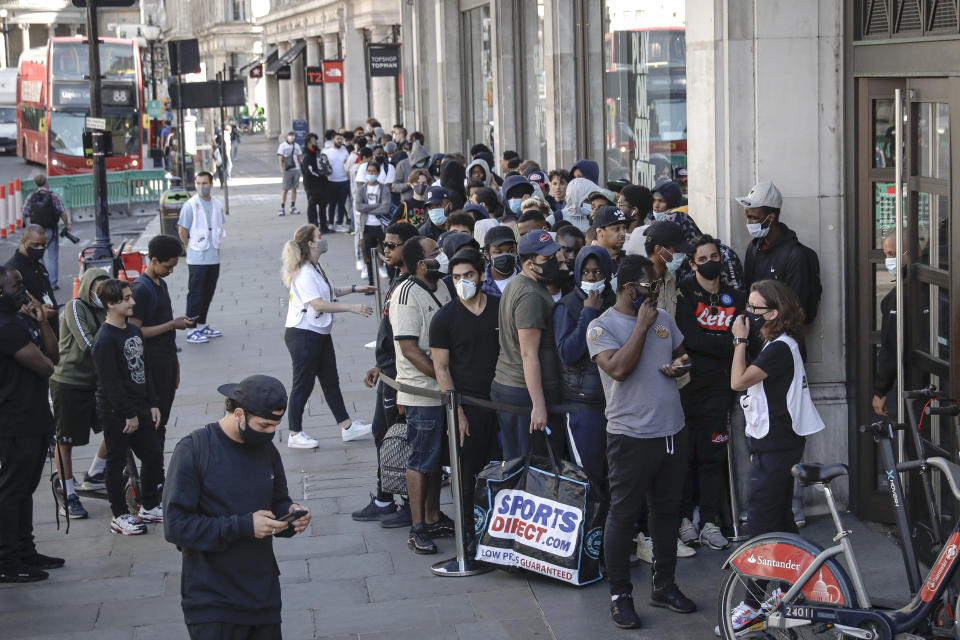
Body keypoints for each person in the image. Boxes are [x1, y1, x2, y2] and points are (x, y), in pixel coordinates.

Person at [587, 255, 696, 628]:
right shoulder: (601, 327)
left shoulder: (663, 319)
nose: (656, 293)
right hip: (630, 437)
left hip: (672, 431)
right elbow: (617, 368)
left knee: (667, 513)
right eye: (650, 286)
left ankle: (664, 585)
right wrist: (642, 327)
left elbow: (684, 357)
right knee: (623, 515)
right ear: (629, 288)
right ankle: (620, 596)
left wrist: (679, 366)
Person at [163, 375, 312, 640]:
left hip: (262, 595)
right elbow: (175, 527)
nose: (270, 434)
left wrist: (290, 516)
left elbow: (278, 500)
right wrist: (244, 525)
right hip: (212, 601)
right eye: (264, 425)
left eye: (275, 426)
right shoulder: (194, 449)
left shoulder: (267, 451)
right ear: (239, 414)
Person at [726, 279, 824, 630]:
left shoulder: (780, 348)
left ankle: (752, 603)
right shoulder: (779, 343)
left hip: (778, 446)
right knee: (780, 520)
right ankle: (790, 590)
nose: (748, 314)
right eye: (748, 307)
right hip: (775, 443)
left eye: (754, 308)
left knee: (761, 526)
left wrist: (739, 341)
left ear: (774, 312)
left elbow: (739, 382)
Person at [675, 235, 747, 550]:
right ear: (692, 264)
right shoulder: (684, 295)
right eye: (702, 259)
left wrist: (718, 345)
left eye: (713, 256)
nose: (709, 263)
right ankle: (683, 519)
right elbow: (689, 338)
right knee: (684, 457)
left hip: (720, 393)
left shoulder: (736, 297)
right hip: (687, 390)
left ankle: (709, 521)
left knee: (712, 458)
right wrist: (727, 343)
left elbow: (746, 338)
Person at [281, 224, 375, 448]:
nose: (323, 239)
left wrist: (356, 288)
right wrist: (352, 308)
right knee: (302, 384)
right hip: (303, 335)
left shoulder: (315, 267)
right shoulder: (304, 273)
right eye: (319, 236)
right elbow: (318, 303)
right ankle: (294, 433)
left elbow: (329, 291)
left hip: (318, 333)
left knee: (331, 381)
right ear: (311, 243)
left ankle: (347, 427)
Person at [430, 248, 501, 545]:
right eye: (456, 277)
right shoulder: (444, 319)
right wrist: (455, 411)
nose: (463, 282)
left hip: (504, 401)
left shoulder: (500, 307)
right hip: (467, 406)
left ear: (481, 275)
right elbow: (442, 369)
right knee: (467, 472)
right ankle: (470, 535)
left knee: (504, 467)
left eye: (468, 275)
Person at [352, 222, 419, 526]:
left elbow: (410, 337)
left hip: (401, 377)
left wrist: (400, 381)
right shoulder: (397, 278)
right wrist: (380, 365)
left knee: (397, 436)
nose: (386, 250)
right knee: (383, 433)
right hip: (389, 372)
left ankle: (406, 501)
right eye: (385, 245)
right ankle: (384, 496)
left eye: (393, 245)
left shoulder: (411, 284)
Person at [0, 265, 64, 582]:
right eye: (16, 287)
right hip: (15, 423)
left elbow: (54, 354)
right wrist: (44, 349)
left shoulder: (22, 320)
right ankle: (7, 560)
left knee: (26, 489)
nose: (23, 292)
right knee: (12, 490)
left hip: (35, 417)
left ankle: (25, 550)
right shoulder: (5, 327)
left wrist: (43, 321)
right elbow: (46, 367)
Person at [391, 236, 454, 555]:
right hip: (422, 392)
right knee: (421, 458)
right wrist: (443, 378)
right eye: (436, 253)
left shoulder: (441, 285)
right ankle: (417, 527)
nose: (441, 256)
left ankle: (433, 515)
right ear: (420, 263)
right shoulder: (405, 294)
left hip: (443, 390)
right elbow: (409, 349)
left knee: (435, 461)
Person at [91, 279, 164, 535]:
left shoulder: (133, 331)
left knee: (154, 456)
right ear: (111, 304)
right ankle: (119, 515)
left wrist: (153, 403)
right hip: (116, 412)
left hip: (141, 406)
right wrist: (129, 414)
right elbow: (110, 384)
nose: (132, 302)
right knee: (115, 462)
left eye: (131, 296)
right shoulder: (104, 339)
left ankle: (149, 507)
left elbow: (146, 370)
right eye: (126, 298)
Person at [491, 231, 569, 460]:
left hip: (515, 388)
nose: (555, 262)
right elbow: (528, 354)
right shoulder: (530, 295)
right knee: (531, 466)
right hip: (523, 393)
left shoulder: (521, 283)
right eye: (547, 259)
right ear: (529, 264)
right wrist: (538, 405)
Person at [130, 235, 196, 468]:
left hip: (165, 361)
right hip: (151, 365)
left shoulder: (160, 284)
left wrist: (175, 364)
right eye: (168, 266)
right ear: (154, 260)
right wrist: (172, 325)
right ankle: (153, 472)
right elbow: (135, 332)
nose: (170, 271)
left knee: (162, 420)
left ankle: (155, 469)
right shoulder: (141, 289)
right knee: (154, 422)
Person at [50, 267, 111, 519]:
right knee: (66, 440)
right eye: (98, 291)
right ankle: (67, 491)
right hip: (69, 382)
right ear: (88, 288)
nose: (101, 296)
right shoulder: (77, 307)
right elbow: (88, 343)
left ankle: (96, 473)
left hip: (95, 383)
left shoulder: (105, 309)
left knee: (115, 427)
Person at [554, 246, 616, 488]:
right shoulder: (567, 307)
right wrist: (588, 313)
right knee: (588, 475)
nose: (591, 278)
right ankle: (591, 525)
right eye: (586, 273)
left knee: (614, 472)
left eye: (598, 272)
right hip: (582, 405)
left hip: (614, 403)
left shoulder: (616, 303)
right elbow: (567, 353)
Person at [739, 180, 821, 323]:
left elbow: (796, 308)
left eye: (753, 218)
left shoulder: (795, 256)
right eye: (747, 217)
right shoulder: (753, 247)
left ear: (771, 218)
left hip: (781, 335)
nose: (749, 223)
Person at [177, 171, 225, 345]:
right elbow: (182, 229)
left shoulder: (217, 204)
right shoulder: (191, 205)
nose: (201, 186)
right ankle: (191, 329)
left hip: (213, 256)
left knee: (208, 292)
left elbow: (219, 226)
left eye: (205, 183)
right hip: (197, 257)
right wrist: (186, 246)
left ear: (211, 184)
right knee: (196, 294)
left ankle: (202, 324)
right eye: (198, 183)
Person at [6, 224, 58, 335]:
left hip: (51, 327)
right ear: (23, 241)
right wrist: (39, 311)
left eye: (43, 245)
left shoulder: (39, 266)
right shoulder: (12, 271)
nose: (40, 249)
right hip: (32, 330)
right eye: (36, 245)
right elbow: (12, 306)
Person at [21, 174, 71, 290]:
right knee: (53, 257)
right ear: (46, 183)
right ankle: (53, 284)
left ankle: (43, 283)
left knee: (39, 257)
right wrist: (66, 224)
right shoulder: (54, 196)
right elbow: (62, 212)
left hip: (36, 232)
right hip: (51, 229)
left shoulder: (31, 196)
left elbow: (25, 212)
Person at [873, 233, 900, 417]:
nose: (889, 260)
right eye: (886, 255)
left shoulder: (896, 299)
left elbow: (890, 348)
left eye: (893, 254)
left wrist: (880, 391)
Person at [356, 161, 392, 287]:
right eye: (369, 171)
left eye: (373, 171)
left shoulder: (384, 189)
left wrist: (369, 208)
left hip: (381, 227)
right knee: (368, 256)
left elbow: (385, 208)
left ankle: (392, 280)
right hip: (367, 226)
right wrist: (377, 206)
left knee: (388, 254)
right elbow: (358, 206)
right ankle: (371, 283)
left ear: (378, 173)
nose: (371, 174)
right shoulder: (362, 190)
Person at [301, 132, 330, 232]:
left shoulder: (319, 152)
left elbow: (325, 164)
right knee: (312, 205)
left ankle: (324, 226)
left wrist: (327, 171)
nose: (316, 142)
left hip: (322, 184)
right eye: (314, 141)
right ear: (309, 143)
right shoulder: (306, 155)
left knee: (323, 205)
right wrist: (321, 174)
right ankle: (313, 227)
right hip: (311, 185)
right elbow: (309, 171)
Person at [323, 132, 352, 232]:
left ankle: (339, 223)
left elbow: (348, 166)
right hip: (332, 181)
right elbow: (324, 166)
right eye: (337, 139)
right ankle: (331, 223)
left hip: (344, 180)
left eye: (341, 139)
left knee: (342, 203)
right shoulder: (327, 152)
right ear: (333, 140)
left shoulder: (345, 151)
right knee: (332, 204)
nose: (339, 141)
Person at [276, 129, 302, 217]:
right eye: (290, 134)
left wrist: (300, 169)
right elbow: (280, 158)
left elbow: (299, 157)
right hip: (287, 170)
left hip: (296, 169)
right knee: (285, 189)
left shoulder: (297, 146)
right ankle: (282, 207)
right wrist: (282, 169)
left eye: (293, 134)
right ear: (287, 136)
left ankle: (293, 206)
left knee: (294, 188)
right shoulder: (282, 146)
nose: (292, 136)